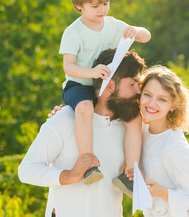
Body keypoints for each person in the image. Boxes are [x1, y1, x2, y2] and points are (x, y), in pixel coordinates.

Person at [18, 49, 146, 217]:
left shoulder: (133, 129)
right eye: (132, 84)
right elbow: (26, 170)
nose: (138, 91)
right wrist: (68, 176)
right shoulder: (65, 119)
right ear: (109, 85)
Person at [60, 0, 151, 188]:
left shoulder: (113, 25)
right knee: (84, 108)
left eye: (105, 3)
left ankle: (129, 174)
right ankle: (88, 165)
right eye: (95, 6)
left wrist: (136, 31)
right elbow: (69, 67)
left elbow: (146, 36)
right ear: (78, 5)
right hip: (80, 85)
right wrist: (91, 72)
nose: (102, 9)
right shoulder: (73, 33)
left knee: (134, 118)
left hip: (108, 87)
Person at [137, 65, 189, 216]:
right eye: (147, 94)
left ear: (173, 105)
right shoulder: (141, 131)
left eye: (162, 99)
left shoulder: (174, 147)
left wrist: (164, 193)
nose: (151, 103)